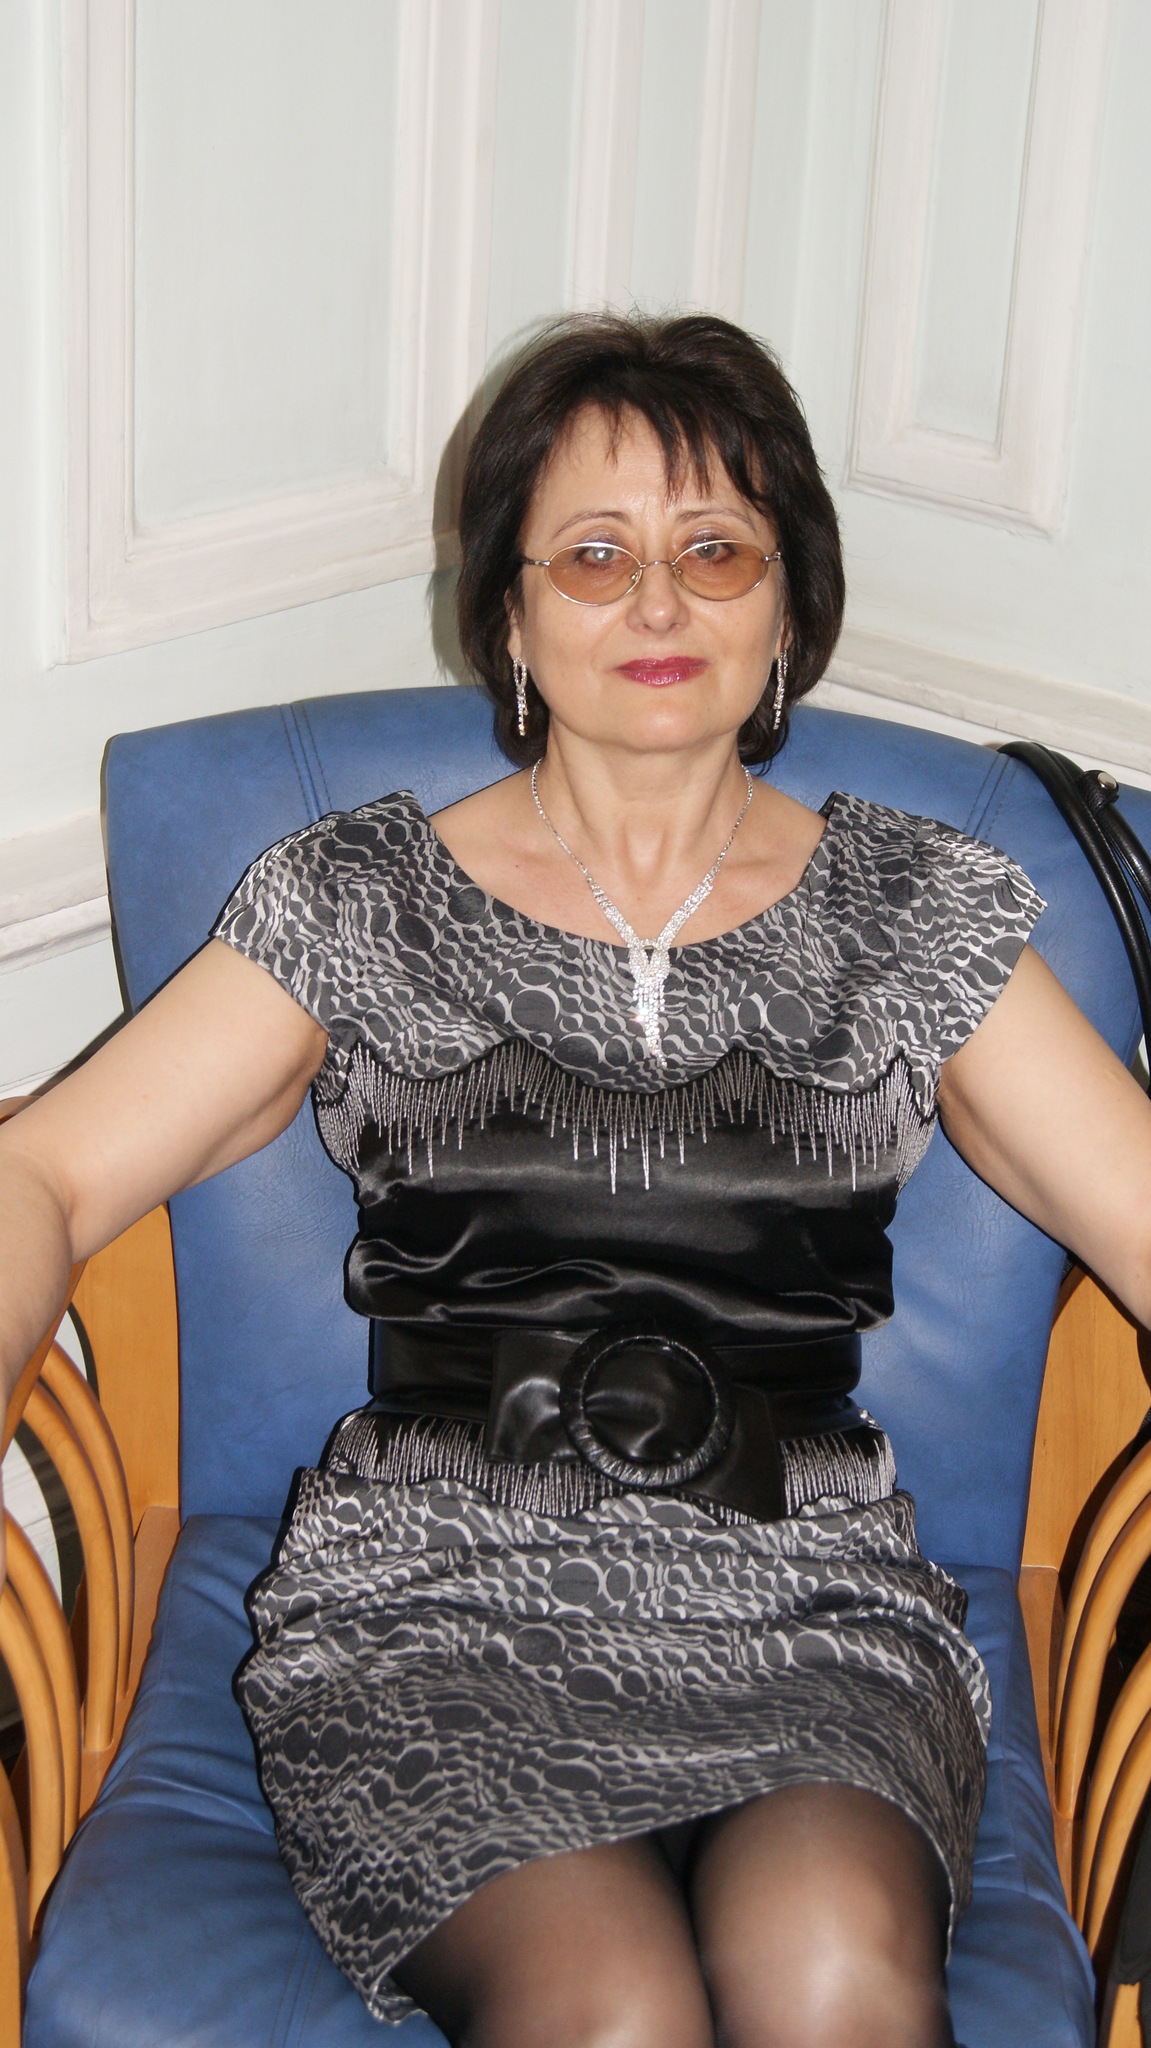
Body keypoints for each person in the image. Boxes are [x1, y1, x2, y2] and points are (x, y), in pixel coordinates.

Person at [2, 312, 1151, 2048]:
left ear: (787, 607)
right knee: (608, 2010)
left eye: (717, 550)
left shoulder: (919, 912)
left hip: (806, 1598)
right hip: (438, 1595)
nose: (659, 602)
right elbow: (48, 1176)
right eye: (597, 556)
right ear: (512, 618)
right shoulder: (361, 899)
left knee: (836, 1971)